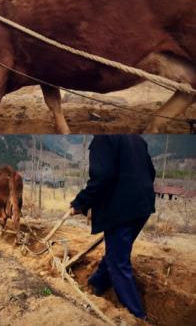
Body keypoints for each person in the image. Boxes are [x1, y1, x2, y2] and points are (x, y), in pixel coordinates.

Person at [69, 135, 155, 320]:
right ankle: (97, 282)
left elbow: (103, 176)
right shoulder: (137, 139)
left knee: (118, 262)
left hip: (121, 209)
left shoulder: (103, 138)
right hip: (143, 205)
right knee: (116, 251)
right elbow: (151, 171)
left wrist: (80, 203)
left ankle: (137, 316)